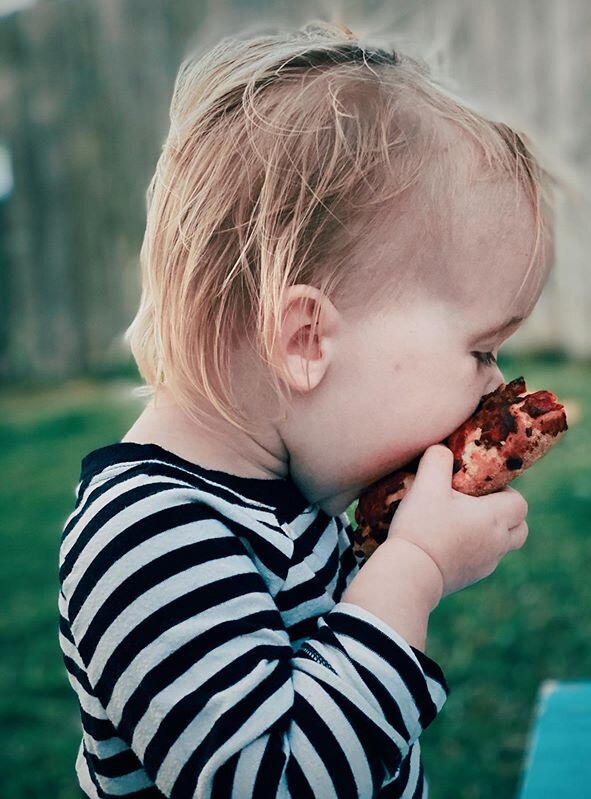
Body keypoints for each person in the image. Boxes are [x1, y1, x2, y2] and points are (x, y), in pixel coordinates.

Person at [58, 18, 556, 799]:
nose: (498, 388)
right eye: (481, 350)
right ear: (305, 339)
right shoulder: (146, 539)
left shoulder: (292, 489)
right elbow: (275, 780)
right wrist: (414, 570)